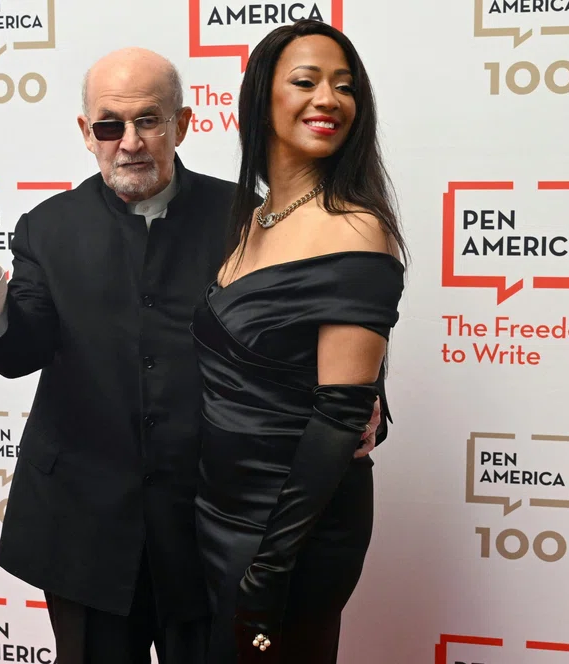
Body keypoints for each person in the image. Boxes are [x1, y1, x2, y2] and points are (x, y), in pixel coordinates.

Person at [0, 45, 384, 664]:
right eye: (111, 125)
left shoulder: (248, 218)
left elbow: (326, 320)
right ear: (87, 133)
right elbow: (19, 350)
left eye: (150, 121)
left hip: (209, 528)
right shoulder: (47, 227)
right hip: (84, 530)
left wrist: (371, 400)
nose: (132, 142)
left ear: (184, 124)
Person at [189, 20, 408, 663]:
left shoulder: (357, 226)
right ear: (262, 99)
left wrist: (270, 568)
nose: (328, 99)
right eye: (305, 81)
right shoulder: (252, 219)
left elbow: (343, 408)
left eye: (345, 87)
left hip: (291, 529)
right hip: (219, 511)